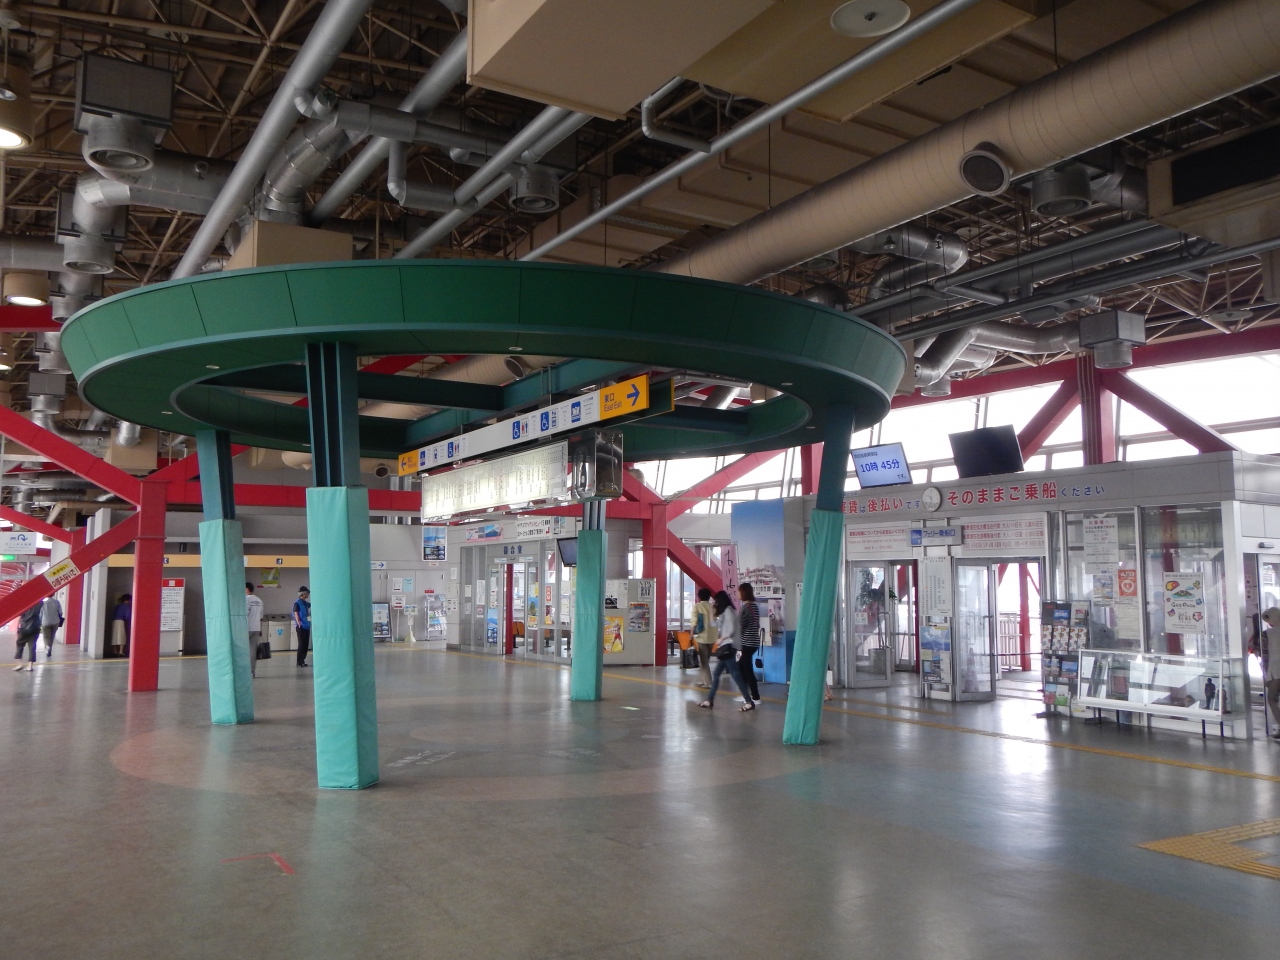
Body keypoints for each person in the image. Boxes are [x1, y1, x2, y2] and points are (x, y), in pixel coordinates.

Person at [698, 589, 755, 711]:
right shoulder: (726, 612)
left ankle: (748, 701)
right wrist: (711, 611)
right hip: (726, 647)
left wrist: (721, 639)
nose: (716, 603)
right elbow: (714, 624)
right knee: (719, 673)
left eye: (716, 601)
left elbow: (730, 630)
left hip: (729, 646)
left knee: (735, 674)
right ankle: (709, 700)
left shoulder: (728, 611)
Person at [736, 582, 762, 704]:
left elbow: (740, 626)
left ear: (743, 592)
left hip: (746, 642)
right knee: (742, 668)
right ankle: (746, 694)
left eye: (739, 591)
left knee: (747, 670)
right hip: (754, 642)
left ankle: (755, 697)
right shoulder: (754, 606)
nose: (737, 594)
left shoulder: (745, 608)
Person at [691, 587, 717, 689]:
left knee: (704, 661)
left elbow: (694, 620)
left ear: (699, 597)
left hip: (701, 636)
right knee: (706, 659)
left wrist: (691, 633)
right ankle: (701, 680)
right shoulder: (713, 607)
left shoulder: (697, 606)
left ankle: (708, 682)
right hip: (712, 636)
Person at [1263, 608, 1280, 739]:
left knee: (1272, 699)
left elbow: (1265, 656)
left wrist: (1266, 675)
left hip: (1275, 672)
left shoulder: (1267, 634)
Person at [14, 599, 42, 672]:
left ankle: (19, 664)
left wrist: (17, 627)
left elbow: (20, 616)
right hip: (35, 627)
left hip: (25, 627)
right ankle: (30, 666)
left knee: (20, 644)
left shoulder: (25, 603)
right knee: (32, 646)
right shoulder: (40, 602)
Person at [245, 583, 264, 678]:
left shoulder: (246, 599)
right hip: (256, 628)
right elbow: (261, 617)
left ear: (247, 589)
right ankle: (251, 672)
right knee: (253, 651)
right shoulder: (259, 600)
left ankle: (243, 671)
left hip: (246, 628)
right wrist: (261, 629)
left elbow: (244, 615)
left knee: (243, 650)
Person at [40, 593, 64, 658]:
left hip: (45, 622)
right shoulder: (57, 602)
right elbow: (60, 612)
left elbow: (41, 613)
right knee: (52, 636)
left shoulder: (43, 603)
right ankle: (49, 650)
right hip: (55, 622)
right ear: (53, 595)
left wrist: (40, 621)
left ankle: (47, 647)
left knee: (46, 636)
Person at [293, 586, 312, 668]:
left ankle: (303, 660)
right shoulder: (297, 603)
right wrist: (299, 624)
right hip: (301, 626)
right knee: (301, 644)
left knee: (305, 644)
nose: (308, 594)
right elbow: (296, 614)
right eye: (307, 593)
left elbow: (312, 605)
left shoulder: (305, 603)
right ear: (303, 594)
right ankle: (299, 662)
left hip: (307, 625)